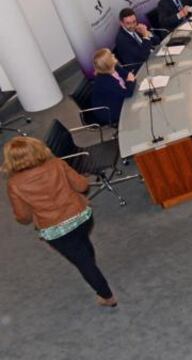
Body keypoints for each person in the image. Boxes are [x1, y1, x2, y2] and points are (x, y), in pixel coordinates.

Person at [3, 137, 117, 307]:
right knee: (83, 244)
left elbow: (23, 216)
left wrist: (27, 215)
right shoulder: (56, 164)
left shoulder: (14, 184)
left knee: (82, 262)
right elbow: (82, 186)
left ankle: (107, 296)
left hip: (56, 230)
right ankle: (89, 263)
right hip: (82, 216)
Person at [90, 48, 136, 127]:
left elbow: (127, 75)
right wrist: (130, 81)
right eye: (111, 55)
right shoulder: (105, 80)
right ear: (108, 63)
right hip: (109, 111)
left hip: (117, 98)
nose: (113, 55)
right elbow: (128, 93)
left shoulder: (113, 67)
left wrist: (129, 80)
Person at [113, 7, 155, 74]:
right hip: (140, 69)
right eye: (128, 23)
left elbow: (157, 40)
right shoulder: (122, 39)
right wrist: (145, 36)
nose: (132, 25)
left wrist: (148, 33)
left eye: (134, 21)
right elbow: (142, 56)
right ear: (121, 23)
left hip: (150, 57)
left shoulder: (137, 27)